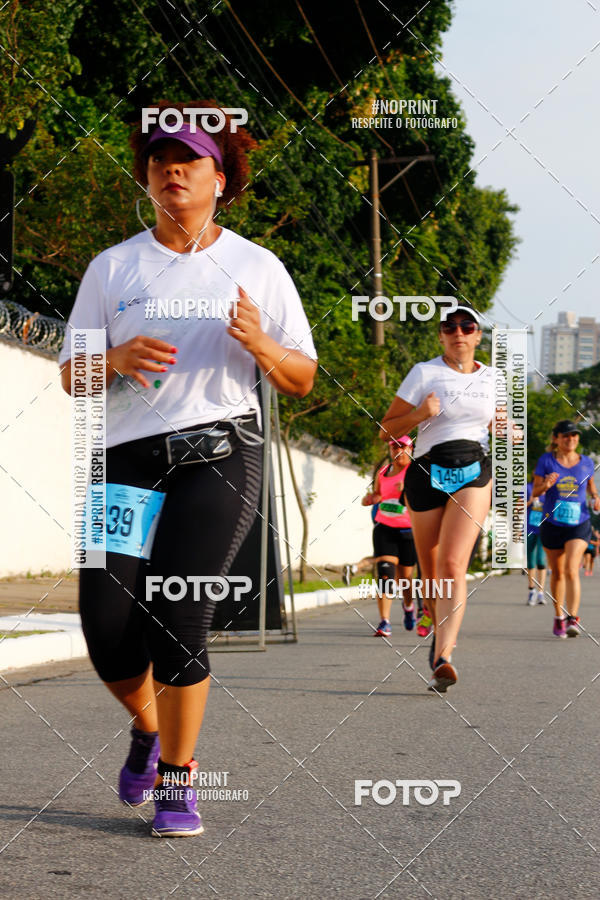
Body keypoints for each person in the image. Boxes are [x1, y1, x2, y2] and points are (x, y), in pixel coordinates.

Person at [58, 101, 317, 837]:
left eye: (191, 158)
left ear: (220, 178)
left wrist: (261, 343)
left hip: (219, 454)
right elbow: (73, 375)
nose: (172, 168)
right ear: (146, 177)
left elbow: (301, 377)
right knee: (106, 625)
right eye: (160, 159)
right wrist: (109, 359)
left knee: (177, 615)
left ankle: (178, 776)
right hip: (123, 460)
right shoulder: (113, 267)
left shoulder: (257, 267)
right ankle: (147, 731)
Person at [380, 303, 495, 692]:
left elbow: (504, 424)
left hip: (473, 472)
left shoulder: (494, 379)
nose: (458, 332)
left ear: (478, 335)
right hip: (426, 472)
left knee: (450, 565)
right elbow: (386, 428)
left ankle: (445, 654)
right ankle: (433, 623)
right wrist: (418, 414)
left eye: (467, 326)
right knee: (430, 574)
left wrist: (509, 428)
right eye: (450, 327)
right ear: (442, 336)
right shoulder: (424, 373)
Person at [533, 420, 600, 637]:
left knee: (572, 569)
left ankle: (573, 617)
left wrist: (596, 498)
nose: (570, 439)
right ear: (556, 439)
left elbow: (591, 487)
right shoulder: (546, 461)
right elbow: (535, 492)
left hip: (578, 523)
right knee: (558, 572)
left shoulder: (587, 462)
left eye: (574, 435)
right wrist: (547, 485)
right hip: (552, 523)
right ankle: (558, 616)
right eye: (566, 435)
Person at [361, 436, 417, 636]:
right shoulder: (383, 472)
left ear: (411, 449)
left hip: (410, 531)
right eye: (394, 446)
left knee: (406, 579)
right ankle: (384, 621)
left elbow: (426, 498)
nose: (398, 450)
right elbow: (377, 494)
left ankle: (409, 607)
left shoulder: (416, 472)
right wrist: (371, 499)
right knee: (385, 574)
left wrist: (409, 491)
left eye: (403, 446)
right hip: (385, 528)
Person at [526, 477, 547, 605]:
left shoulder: (549, 489)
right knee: (531, 561)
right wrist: (531, 501)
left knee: (541, 560)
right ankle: (531, 590)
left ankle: (541, 592)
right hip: (529, 528)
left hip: (544, 529)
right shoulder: (527, 488)